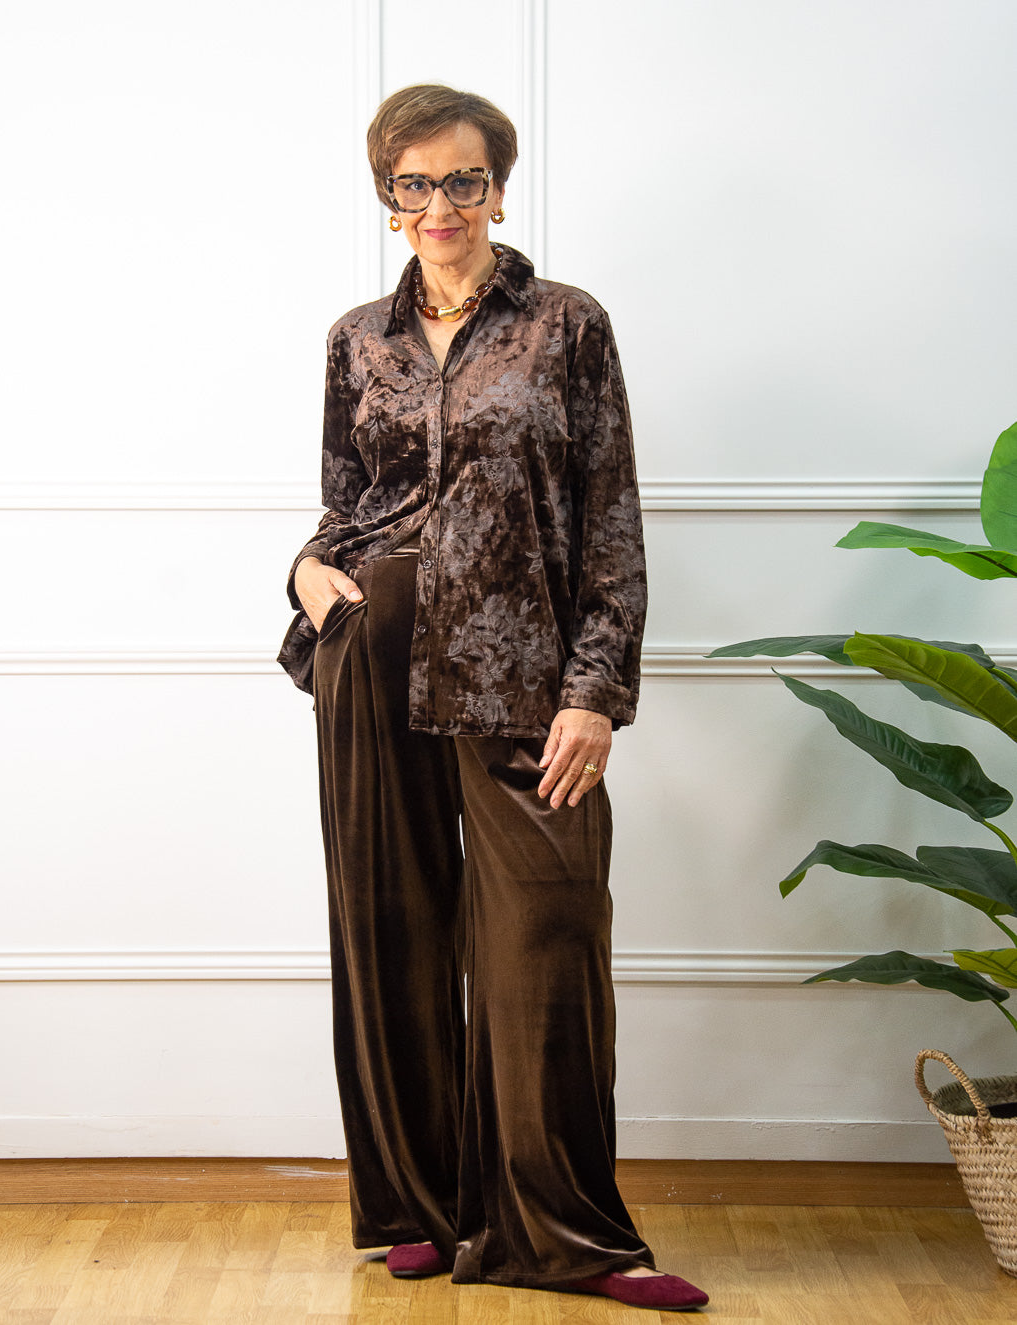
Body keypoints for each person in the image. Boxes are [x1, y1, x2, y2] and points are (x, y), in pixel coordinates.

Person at [278, 84, 708, 1313]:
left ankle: (571, 1236)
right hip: (371, 654)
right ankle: (419, 1206)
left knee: (546, 940)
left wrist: (595, 691)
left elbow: (609, 519)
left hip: (526, 677)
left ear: (498, 191)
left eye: (462, 180)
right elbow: (348, 502)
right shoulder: (356, 338)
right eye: (414, 182)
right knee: (393, 930)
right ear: (387, 197)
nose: (440, 204)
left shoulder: (567, 324)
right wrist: (305, 570)